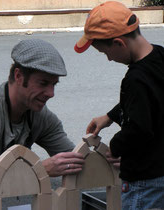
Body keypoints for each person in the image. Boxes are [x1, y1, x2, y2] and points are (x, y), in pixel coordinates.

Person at [0, 39, 85, 208]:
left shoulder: (38, 113)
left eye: (54, 85)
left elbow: (72, 157)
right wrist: (40, 170)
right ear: (18, 76)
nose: (51, 93)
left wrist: (114, 158)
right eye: (43, 83)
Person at [74, 1, 164, 209]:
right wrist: (111, 116)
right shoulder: (159, 56)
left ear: (119, 43)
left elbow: (139, 128)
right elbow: (150, 99)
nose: (108, 59)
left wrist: (115, 146)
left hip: (144, 182)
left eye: (106, 53)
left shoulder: (135, 79)